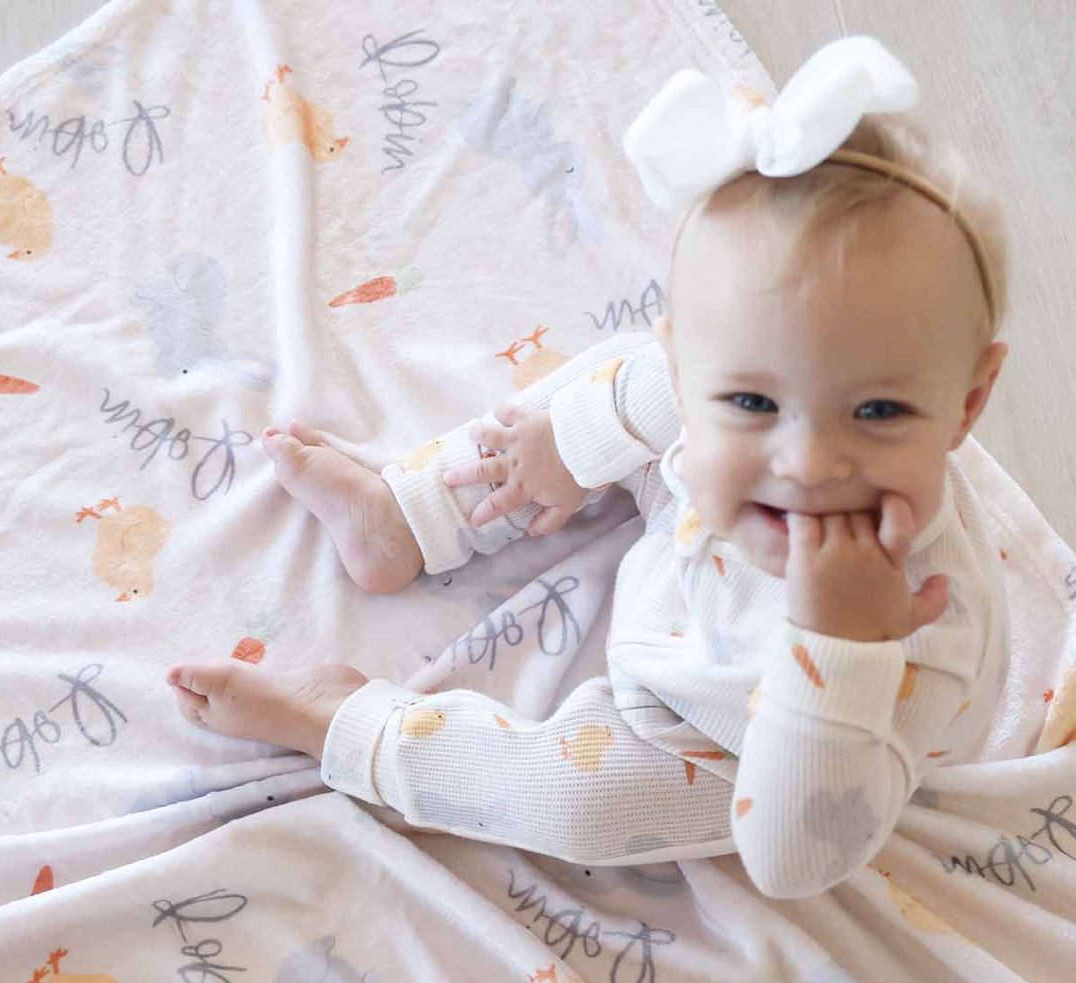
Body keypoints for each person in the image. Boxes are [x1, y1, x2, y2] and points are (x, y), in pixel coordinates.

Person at [167, 36, 1012, 898]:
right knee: (602, 391)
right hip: (690, 522)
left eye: (878, 412)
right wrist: (568, 449)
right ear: (689, 364)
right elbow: (654, 388)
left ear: (968, 404)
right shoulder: (708, 380)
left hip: (722, 742)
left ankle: (350, 727)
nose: (805, 464)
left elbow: (794, 860)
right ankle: (408, 516)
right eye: (753, 401)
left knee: (583, 805)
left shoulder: (925, 639)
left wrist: (838, 653)